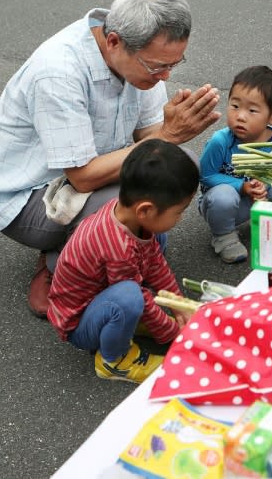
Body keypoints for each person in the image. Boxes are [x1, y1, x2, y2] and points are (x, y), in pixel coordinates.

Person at [0, 0, 220, 317]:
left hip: (88, 175)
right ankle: (59, 262)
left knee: (179, 167)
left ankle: (99, 252)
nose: (165, 75)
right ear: (113, 42)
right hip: (32, 196)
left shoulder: (139, 56)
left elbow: (149, 134)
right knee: (126, 205)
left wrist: (171, 129)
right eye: (157, 67)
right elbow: (82, 177)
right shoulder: (58, 72)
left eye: (174, 64)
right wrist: (166, 136)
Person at [47, 139, 196, 383]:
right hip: (79, 322)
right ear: (145, 210)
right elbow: (139, 296)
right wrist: (172, 334)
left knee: (155, 246)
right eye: (178, 212)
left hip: (101, 297)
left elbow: (154, 262)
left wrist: (178, 304)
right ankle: (114, 360)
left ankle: (126, 324)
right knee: (130, 297)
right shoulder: (117, 246)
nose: (180, 218)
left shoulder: (127, 216)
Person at [198, 66, 272, 263]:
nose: (240, 116)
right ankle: (224, 237)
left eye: (252, 110)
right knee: (223, 197)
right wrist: (242, 186)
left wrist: (265, 184)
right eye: (235, 106)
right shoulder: (220, 141)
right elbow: (206, 175)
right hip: (225, 203)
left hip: (257, 198)